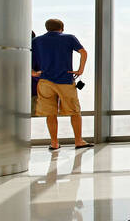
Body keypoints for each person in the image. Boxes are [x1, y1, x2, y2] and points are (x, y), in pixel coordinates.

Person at [30, 18, 90, 150]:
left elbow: (27, 57)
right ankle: (78, 141)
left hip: (45, 81)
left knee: (50, 113)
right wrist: (80, 70)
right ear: (62, 28)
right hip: (65, 80)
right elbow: (83, 52)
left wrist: (33, 72)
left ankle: (54, 143)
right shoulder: (69, 38)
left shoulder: (37, 41)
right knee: (75, 112)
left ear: (47, 28)